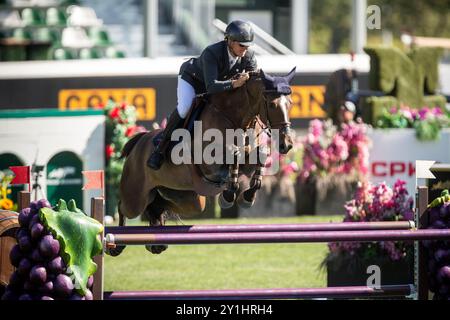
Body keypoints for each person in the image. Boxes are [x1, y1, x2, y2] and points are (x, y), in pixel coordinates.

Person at [147, 20, 258, 170]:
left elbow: (251, 82)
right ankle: (160, 148)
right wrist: (233, 84)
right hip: (193, 80)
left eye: (248, 46)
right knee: (185, 107)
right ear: (230, 41)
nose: (245, 49)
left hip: (221, 86)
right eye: (241, 45)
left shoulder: (249, 56)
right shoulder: (212, 52)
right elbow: (211, 87)